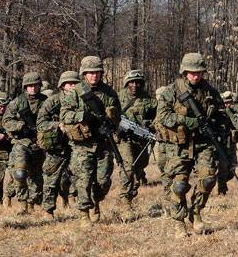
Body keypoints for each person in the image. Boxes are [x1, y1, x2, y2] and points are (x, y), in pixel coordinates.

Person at [157, 53, 226, 238]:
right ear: (184, 72)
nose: (195, 76)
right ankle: (178, 222)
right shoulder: (172, 91)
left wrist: (215, 127)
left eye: (199, 72)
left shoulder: (210, 92)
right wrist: (187, 121)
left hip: (203, 144)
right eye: (191, 72)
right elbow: (162, 117)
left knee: (209, 179)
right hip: (178, 145)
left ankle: (195, 211)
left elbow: (221, 116)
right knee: (179, 185)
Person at [60, 56, 121, 227]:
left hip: (103, 143)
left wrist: (111, 121)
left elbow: (119, 117)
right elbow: (64, 116)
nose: (94, 76)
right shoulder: (75, 92)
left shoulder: (109, 93)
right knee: (83, 180)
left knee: (103, 181)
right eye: (90, 73)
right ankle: (84, 214)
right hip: (83, 144)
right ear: (84, 73)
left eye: (97, 72)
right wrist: (82, 116)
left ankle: (96, 200)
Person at [37, 71, 80, 220]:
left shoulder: (83, 100)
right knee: (51, 180)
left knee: (81, 176)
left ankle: (83, 208)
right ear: (62, 86)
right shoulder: (52, 102)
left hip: (77, 145)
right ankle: (48, 211)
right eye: (70, 84)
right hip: (57, 147)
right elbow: (41, 124)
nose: (73, 86)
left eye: (75, 83)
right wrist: (58, 125)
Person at [2, 72, 48, 215]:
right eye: (30, 86)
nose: (33, 88)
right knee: (20, 172)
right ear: (25, 87)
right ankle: (22, 204)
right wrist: (21, 126)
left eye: (35, 85)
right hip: (21, 142)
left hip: (40, 143)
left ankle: (32, 203)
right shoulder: (17, 102)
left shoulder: (46, 101)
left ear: (39, 86)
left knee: (37, 176)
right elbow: (6, 121)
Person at [116, 69, 157, 220]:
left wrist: (148, 126)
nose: (135, 85)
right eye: (132, 82)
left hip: (141, 140)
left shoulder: (149, 100)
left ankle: (131, 194)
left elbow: (158, 118)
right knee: (127, 167)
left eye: (138, 82)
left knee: (139, 170)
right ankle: (125, 202)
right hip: (124, 139)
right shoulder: (118, 97)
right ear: (127, 83)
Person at [216, 91, 238, 195]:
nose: (227, 105)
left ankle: (218, 182)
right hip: (220, 144)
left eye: (229, 103)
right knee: (223, 168)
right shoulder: (217, 114)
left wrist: (230, 114)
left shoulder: (233, 112)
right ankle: (221, 191)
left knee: (232, 170)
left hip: (230, 144)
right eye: (225, 103)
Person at [153, 86, 172, 217]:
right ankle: (168, 193)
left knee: (173, 171)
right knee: (163, 169)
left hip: (173, 144)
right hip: (162, 145)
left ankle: (172, 197)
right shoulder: (156, 110)